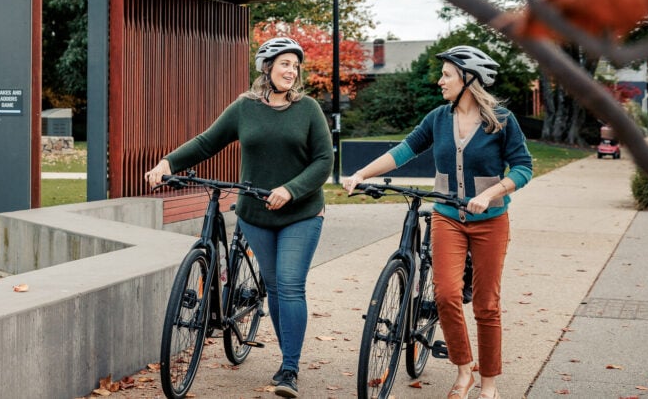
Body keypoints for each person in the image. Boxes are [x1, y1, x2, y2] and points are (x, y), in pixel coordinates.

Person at [342, 45, 532, 399]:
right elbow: (404, 150)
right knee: (446, 295)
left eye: (447, 74)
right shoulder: (438, 118)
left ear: (468, 80)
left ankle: (489, 383)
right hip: (447, 218)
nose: (440, 80)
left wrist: (490, 195)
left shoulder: (501, 120)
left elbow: (523, 167)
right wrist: (360, 174)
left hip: (491, 221)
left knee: (487, 304)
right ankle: (464, 372)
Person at [145, 36, 331, 398]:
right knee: (275, 286)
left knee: (290, 285)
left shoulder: (308, 109)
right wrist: (168, 162)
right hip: (255, 213)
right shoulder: (245, 107)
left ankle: (289, 368)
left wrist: (291, 189)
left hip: (301, 213)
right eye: (284, 64)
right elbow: (207, 141)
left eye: (295, 65)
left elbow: (324, 161)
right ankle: (282, 349)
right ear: (267, 67)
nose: (291, 71)